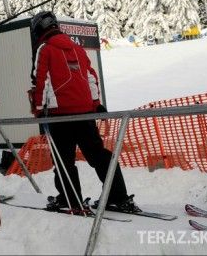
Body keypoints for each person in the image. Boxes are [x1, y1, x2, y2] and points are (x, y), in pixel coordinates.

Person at [29, 11, 139, 213]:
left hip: (59, 114)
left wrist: (38, 110)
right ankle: (117, 196)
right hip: (84, 113)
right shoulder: (77, 48)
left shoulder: (44, 49)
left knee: (63, 159)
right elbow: (91, 77)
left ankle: (70, 199)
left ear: (38, 29)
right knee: (98, 155)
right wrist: (95, 103)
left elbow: (40, 81)